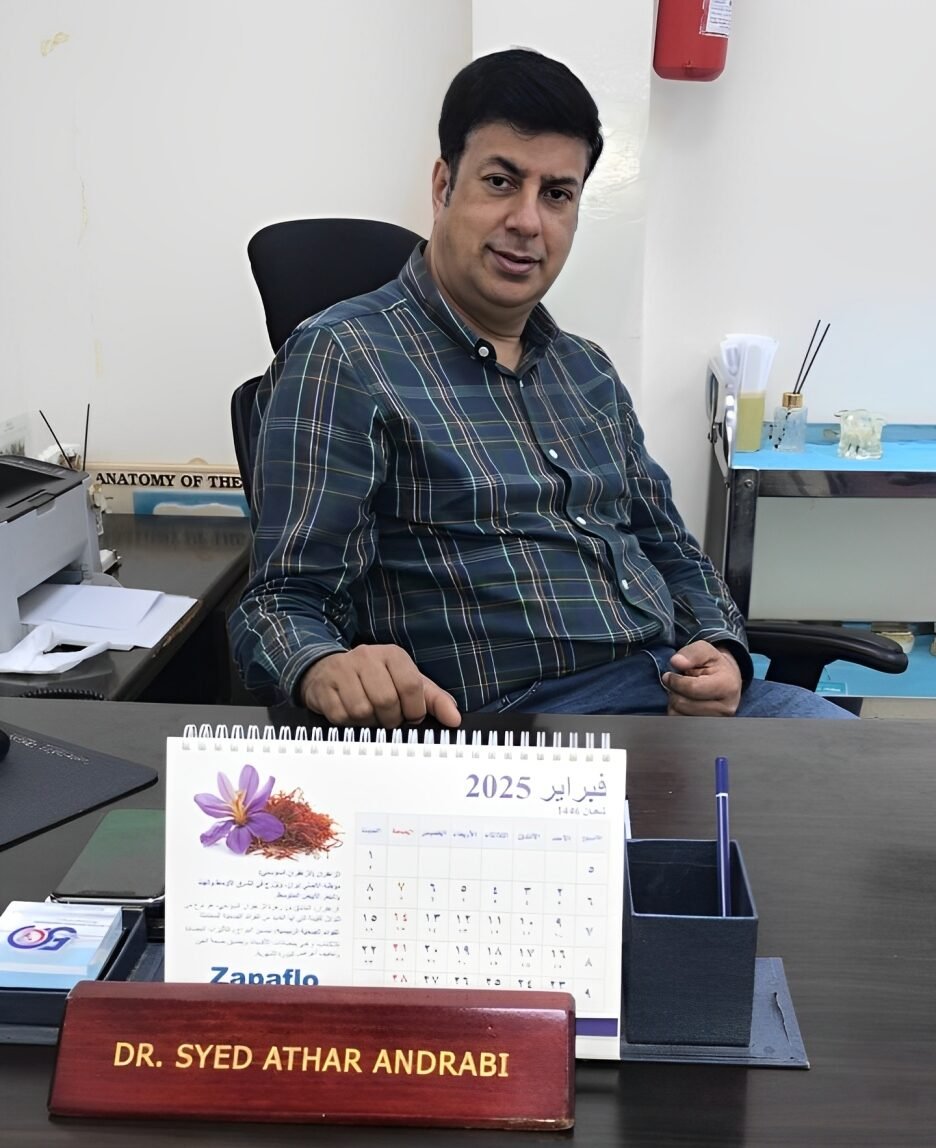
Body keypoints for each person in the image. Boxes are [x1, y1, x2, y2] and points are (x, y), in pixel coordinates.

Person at [229, 48, 851, 726]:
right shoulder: (344, 357)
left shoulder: (587, 372)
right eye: (501, 181)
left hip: (680, 705)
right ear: (443, 187)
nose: (529, 221)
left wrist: (723, 649)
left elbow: (671, 547)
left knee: (883, 795)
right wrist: (323, 666)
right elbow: (278, 605)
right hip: (523, 736)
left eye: (557, 194)